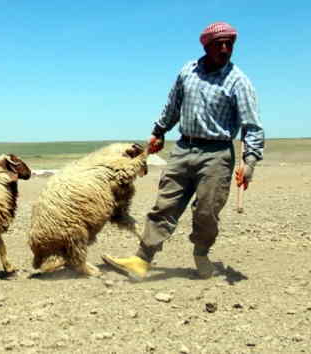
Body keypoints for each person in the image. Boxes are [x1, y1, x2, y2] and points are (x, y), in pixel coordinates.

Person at [102, 22, 264, 280]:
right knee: (164, 205)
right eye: (218, 44)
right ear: (206, 45)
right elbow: (172, 105)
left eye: (229, 44)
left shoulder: (238, 82)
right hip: (183, 148)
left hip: (217, 154)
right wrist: (158, 131)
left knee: (206, 211)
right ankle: (142, 259)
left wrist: (250, 162)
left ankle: (201, 252)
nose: (225, 49)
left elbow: (252, 126)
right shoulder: (188, 71)